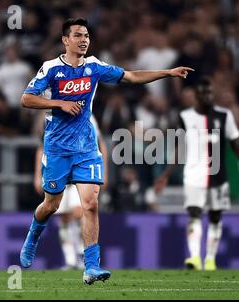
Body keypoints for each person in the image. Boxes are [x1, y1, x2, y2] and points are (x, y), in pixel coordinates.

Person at [19, 17, 193, 285]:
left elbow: (132, 77)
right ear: (65, 40)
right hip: (57, 148)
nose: (84, 39)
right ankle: (33, 235)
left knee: (90, 204)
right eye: (77, 35)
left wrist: (167, 73)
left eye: (86, 35)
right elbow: (26, 99)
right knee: (51, 205)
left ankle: (91, 266)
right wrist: (58, 104)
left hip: (86, 148)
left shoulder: (95, 67)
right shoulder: (51, 69)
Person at [154, 76, 239, 271]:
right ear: (196, 96)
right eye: (203, 92)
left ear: (213, 94)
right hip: (194, 175)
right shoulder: (185, 117)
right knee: (194, 214)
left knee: (215, 218)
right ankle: (195, 258)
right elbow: (181, 148)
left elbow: (235, 145)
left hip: (218, 176)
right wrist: (167, 174)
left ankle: (210, 259)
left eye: (209, 92)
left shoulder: (224, 116)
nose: (206, 96)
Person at [33, 115, 108, 270]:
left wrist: (103, 171)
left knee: (79, 211)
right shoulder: (54, 115)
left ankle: (82, 254)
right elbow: (42, 147)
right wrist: (38, 174)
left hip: (80, 170)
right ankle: (70, 259)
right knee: (64, 217)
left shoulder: (89, 116)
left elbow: (100, 144)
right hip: (58, 169)